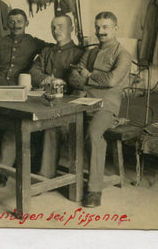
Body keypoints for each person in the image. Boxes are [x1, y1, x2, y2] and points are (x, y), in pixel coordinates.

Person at [69, 11, 131, 208]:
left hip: (106, 105)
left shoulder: (123, 54)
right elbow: (73, 76)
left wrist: (88, 75)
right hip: (82, 101)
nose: (100, 31)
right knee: (54, 124)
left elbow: (113, 80)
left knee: (94, 134)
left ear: (115, 28)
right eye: (98, 27)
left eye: (105, 27)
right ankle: (50, 177)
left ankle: (94, 190)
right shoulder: (91, 52)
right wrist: (89, 77)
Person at [0, 8, 46, 192]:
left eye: (19, 21)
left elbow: (55, 49)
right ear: (6, 25)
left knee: (13, 127)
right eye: (11, 22)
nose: (16, 25)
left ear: (26, 23)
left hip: (21, 94)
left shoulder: (35, 43)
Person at [29, 15, 84, 178]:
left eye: (60, 26)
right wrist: (47, 79)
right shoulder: (47, 51)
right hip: (43, 101)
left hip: (68, 107)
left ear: (71, 29)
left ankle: (45, 176)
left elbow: (80, 81)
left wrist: (64, 83)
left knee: (52, 127)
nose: (56, 30)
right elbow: (34, 71)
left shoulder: (80, 53)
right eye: (53, 27)